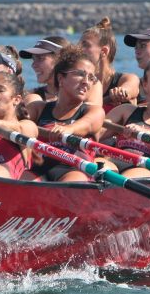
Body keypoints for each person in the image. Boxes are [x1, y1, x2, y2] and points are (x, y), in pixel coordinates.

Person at [23, 46, 105, 182]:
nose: (86, 82)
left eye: (91, 78)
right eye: (80, 74)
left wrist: (68, 129)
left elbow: (87, 124)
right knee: (21, 182)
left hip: (75, 168)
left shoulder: (93, 111)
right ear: (61, 79)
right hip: (38, 168)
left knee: (74, 182)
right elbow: (17, 124)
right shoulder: (38, 108)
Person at [78, 17, 139, 112]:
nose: (79, 49)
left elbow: (130, 88)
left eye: (85, 45)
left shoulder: (127, 79)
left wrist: (120, 92)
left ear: (104, 51)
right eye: (79, 45)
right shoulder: (79, 83)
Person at [20, 36, 71, 105]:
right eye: (33, 59)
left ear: (61, 60)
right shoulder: (29, 98)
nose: (33, 65)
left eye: (40, 58)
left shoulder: (81, 95)